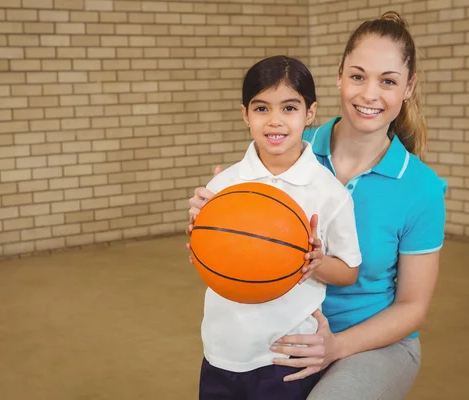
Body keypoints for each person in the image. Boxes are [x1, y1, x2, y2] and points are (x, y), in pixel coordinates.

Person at [187, 11, 447, 400]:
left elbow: (413, 307)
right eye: (358, 76)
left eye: (388, 81)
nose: (369, 94)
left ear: (408, 87)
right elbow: (238, 223)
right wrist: (210, 218)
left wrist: (335, 348)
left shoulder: (421, 188)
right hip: (281, 334)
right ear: (340, 76)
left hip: (369, 341)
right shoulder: (287, 144)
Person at [193, 55, 362, 400]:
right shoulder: (224, 186)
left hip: (287, 354)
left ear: (309, 113)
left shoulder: (329, 192)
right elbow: (207, 262)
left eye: (288, 108)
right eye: (261, 109)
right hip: (222, 348)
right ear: (245, 114)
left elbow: (349, 271)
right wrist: (200, 237)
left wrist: (318, 262)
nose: (275, 121)